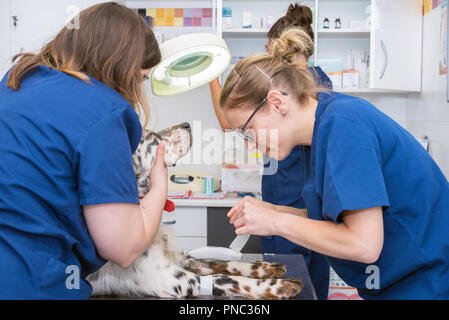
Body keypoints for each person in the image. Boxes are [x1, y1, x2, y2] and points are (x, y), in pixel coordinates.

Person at [219, 28, 449, 299]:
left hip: (428, 283)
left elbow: (363, 244)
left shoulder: (343, 126)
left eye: (247, 130)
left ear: (277, 103)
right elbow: (334, 219)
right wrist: (275, 211)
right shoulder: (318, 133)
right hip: (400, 283)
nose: (249, 144)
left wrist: (275, 222)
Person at [0, 2, 167, 299]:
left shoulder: (15, 82)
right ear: (123, 68)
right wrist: (159, 186)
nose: (139, 90)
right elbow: (123, 246)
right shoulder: (104, 111)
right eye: (141, 78)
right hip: (29, 283)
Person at [209, 4, 331, 300]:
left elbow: (227, 123)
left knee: (288, 286)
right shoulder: (320, 83)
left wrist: (212, 74)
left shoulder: (300, 94)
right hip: (302, 203)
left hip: (293, 202)